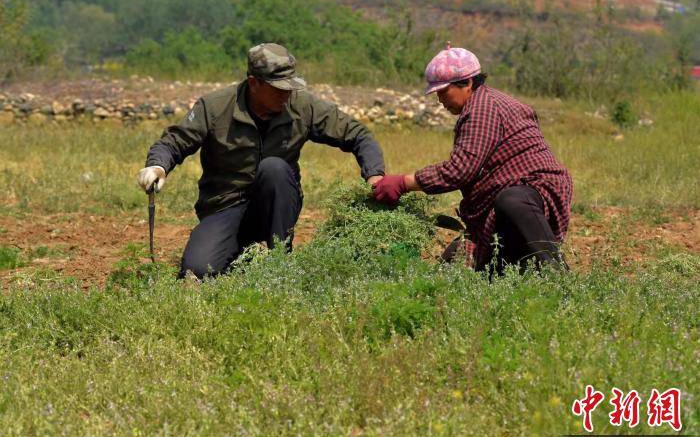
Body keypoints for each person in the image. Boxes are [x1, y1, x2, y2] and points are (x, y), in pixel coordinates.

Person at [137, 43, 385, 279]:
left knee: (275, 168)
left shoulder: (302, 105)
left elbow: (358, 134)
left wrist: (374, 175)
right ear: (254, 83)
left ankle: (279, 263)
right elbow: (175, 141)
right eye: (278, 88)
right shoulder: (215, 107)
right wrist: (158, 166)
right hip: (224, 207)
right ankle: (242, 251)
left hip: (276, 205)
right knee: (198, 271)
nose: (286, 94)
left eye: (290, 87)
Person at [372, 43, 572, 275]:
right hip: (498, 207)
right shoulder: (483, 104)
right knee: (453, 269)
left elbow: (459, 171)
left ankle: (557, 273)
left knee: (512, 200)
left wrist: (403, 182)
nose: (440, 100)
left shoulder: (482, 109)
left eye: (443, 92)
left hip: (534, 193)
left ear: (467, 83)